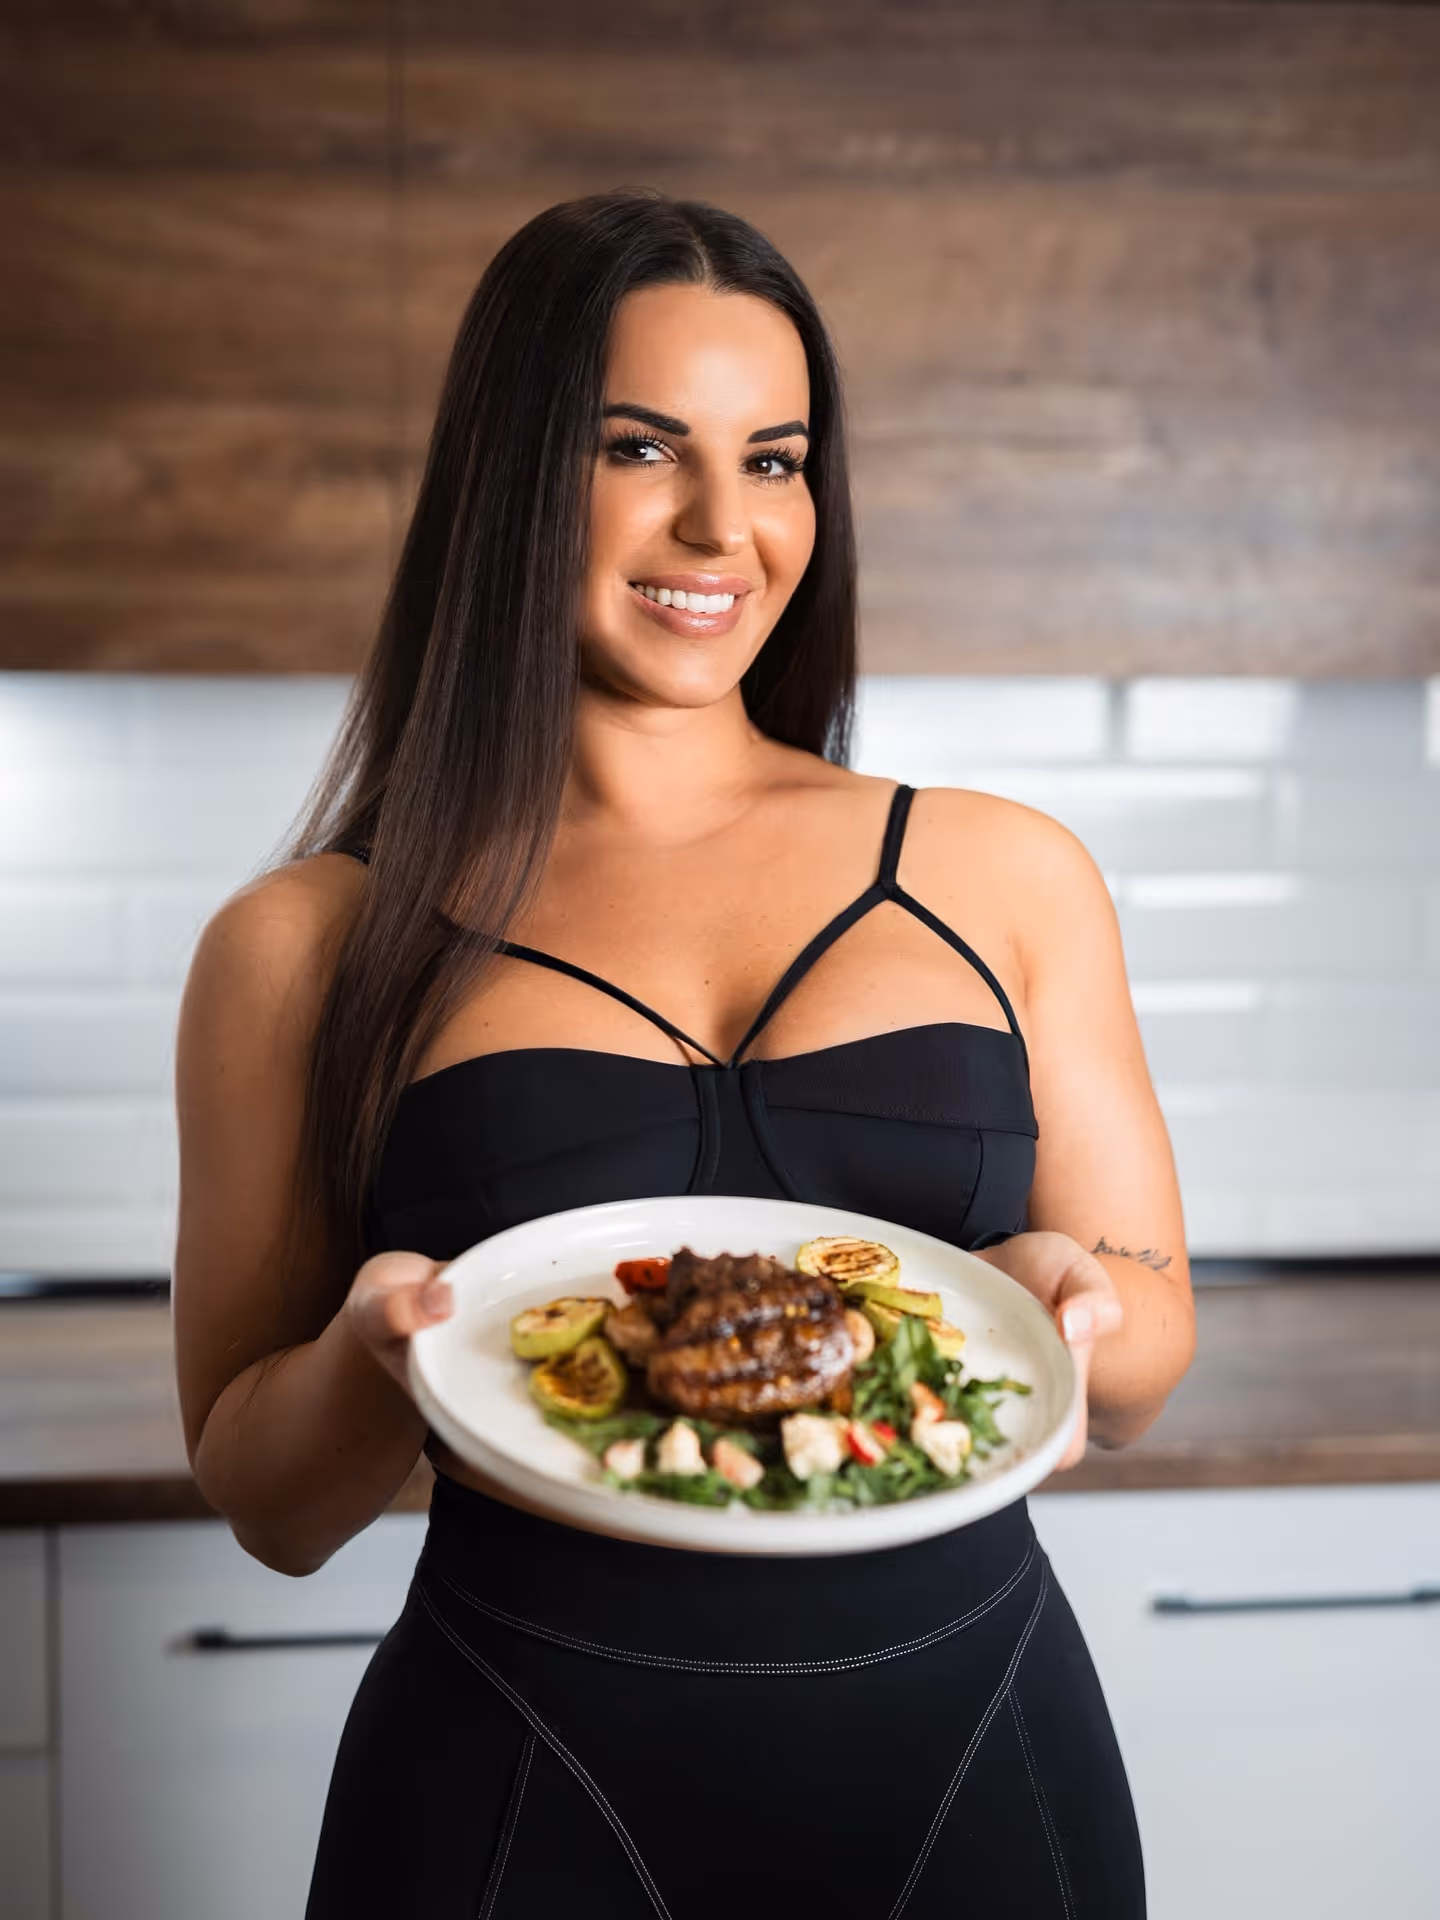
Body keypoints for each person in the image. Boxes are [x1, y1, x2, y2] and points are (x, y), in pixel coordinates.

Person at [173, 190, 1194, 1919]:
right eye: (642, 446)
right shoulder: (301, 947)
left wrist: (1062, 1294)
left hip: (978, 1764)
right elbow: (266, 1500)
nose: (724, 524)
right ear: (513, 474)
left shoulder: (1003, 873)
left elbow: (1150, 1341)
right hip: (517, 1783)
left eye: (778, 459)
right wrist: (372, 1351)